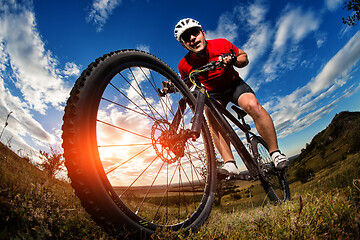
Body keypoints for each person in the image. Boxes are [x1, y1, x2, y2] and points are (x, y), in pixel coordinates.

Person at [173, 18, 289, 176]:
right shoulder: (184, 64)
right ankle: (230, 164)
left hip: (234, 85)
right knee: (211, 118)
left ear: (203, 33)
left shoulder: (221, 44)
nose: (192, 38)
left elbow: (243, 57)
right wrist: (172, 86)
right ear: (183, 45)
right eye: (187, 38)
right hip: (213, 94)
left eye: (194, 33)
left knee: (252, 106)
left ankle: (275, 153)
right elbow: (187, 85)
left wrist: (233, 59)